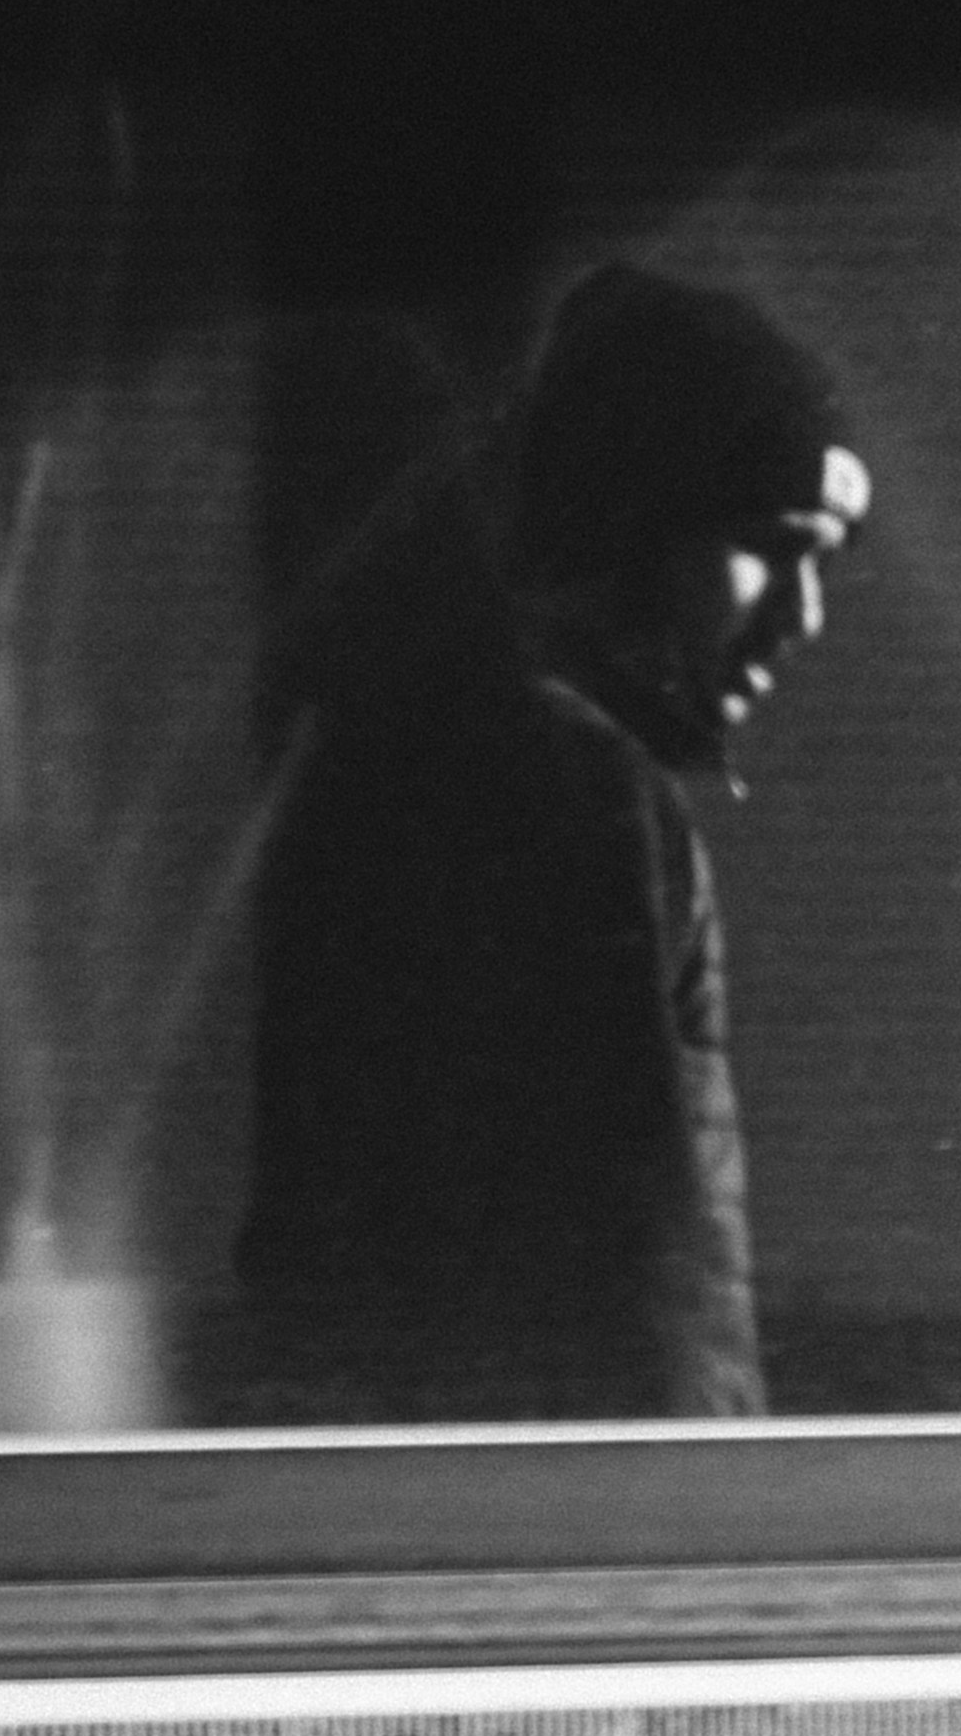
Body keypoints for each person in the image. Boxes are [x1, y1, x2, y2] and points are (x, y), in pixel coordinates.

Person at [237, 262, 870, 1421]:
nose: (804, 613)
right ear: (634, 522)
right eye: (772, 544)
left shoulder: (446, 758)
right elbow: (629, 1286)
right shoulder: (575, 787)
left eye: (826, 561)